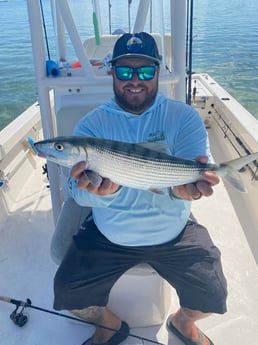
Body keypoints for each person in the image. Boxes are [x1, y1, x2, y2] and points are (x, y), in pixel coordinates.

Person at [53, 32, 227, 345]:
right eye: (125, 72)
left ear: (158, 72)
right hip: (108, 235)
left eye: (146, 71)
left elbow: (187, 181)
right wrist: (100, 194)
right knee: (67, 295)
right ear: (113, 74)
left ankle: (182, 323)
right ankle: (110, 325)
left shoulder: (183, 117)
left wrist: (183, 191)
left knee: (213, 295)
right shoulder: (93, 125)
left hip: (174, 232)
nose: (135, 80)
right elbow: (76, 195)